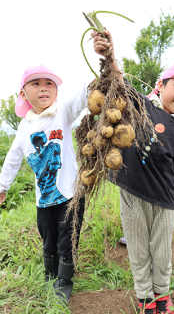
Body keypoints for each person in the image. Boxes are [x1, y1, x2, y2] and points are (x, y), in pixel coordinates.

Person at [92, 30, 174, 314]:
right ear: (160, 84)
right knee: (138, 250)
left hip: (165, 201)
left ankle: (163, 295)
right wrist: (109, 54)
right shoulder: (140, 106)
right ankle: (145, 297)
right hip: (132, 193)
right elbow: (118, 80)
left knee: (162, 252)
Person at [0, 64, 90, 303]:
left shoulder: (63, 113)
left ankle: (64, 281)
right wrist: (3, 185)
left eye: (49, 84)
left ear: (57, 92)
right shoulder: (24, 127)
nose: (43, 89)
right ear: (23, 93)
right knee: (48, 236)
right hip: (44, 197)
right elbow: (12, 158)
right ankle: (50, 274)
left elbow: (84, 93)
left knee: (67, 237)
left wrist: (102, 62)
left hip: (70, 194)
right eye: (36, 84)